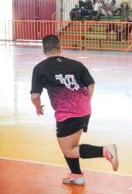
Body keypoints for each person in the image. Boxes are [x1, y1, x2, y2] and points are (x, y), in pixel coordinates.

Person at [30, 35, 119, 186]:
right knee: (72, 146)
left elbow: (35, 95)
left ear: (44, 50)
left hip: (67, 114)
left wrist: (38, 107)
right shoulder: (77, 65)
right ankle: (77, 176)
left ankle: (105, 151)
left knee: (69, 150)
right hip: (84, 110)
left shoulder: (40, 68)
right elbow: (90, 85)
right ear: (60, 47)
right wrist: (85, 102)